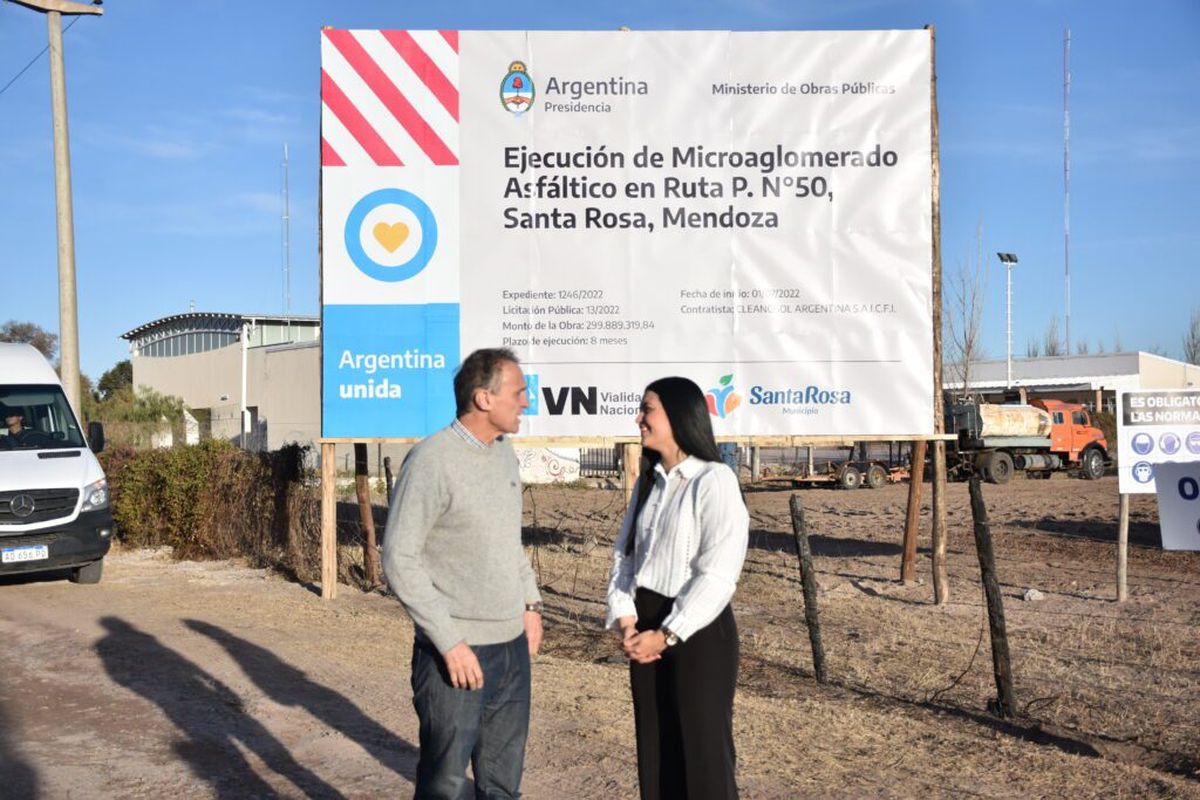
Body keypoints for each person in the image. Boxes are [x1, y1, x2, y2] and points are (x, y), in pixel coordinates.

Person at [382, 347, 543, 800]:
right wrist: (449, 642)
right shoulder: (431, 460)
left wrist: (531, 604)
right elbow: (399, 558)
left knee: (502, 786)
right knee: (446, 786)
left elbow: (507, 540)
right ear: (483, 398)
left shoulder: (503, 454)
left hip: (512, 651)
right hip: (455, 654)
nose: (526, 401)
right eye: (519, 392)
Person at [606, 376, 749, 800]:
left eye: (647, 409)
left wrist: (668, 634)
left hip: (697, 632)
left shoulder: (714, 480)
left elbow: (718, 574)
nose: (639, 418)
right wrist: (627, 621)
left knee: (703, 759)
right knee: (656, 752)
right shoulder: (648, 482)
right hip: (644, 629)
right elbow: (624, 559)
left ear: (679, 415)